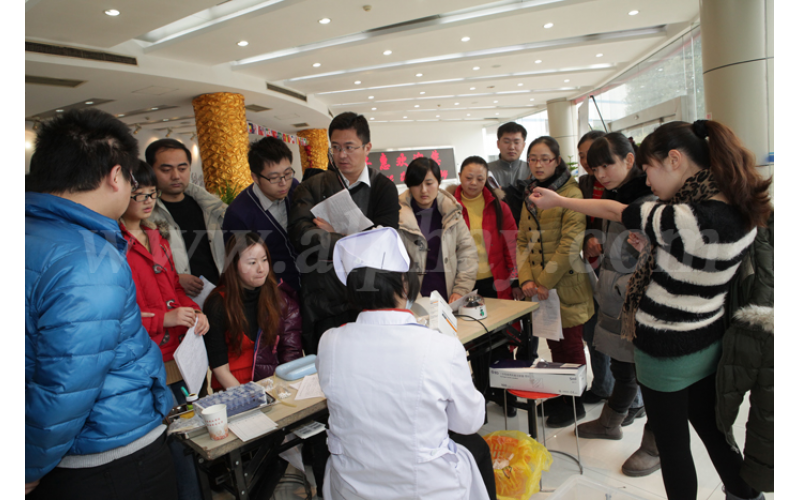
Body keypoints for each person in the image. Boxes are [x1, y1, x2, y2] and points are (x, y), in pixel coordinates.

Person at [529, 120, 771, 500]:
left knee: (673, 450)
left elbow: (615, 210)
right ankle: (746, 495)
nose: (648, 179)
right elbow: (696, 268)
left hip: (664, 348)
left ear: (674, 160)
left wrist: (559, 201)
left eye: (649, 168)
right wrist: (658, 251)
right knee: (714, 433)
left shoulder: (682, 217)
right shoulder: (739, 208)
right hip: (707, 339)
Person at [26, 109, 175, 499]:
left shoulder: (31, 235)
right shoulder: (87, 258)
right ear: (115, 176)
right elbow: (69, 379)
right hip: (106, 456)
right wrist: (28, 465)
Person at [317, 227, 496, 500]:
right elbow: (469, 422)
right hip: (426, 489)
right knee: (476, 447)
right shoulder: (441, 347)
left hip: (352, 487)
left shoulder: (330, 342)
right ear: (404, 283)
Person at [120, 160, 209, 500]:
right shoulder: (114, 244)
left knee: (194, 436)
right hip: (149, 359)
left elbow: (174, 288)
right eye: (139, 195)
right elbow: (119, 314)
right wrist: (163, 319)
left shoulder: (156, 236)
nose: (147, 202)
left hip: (181, 357)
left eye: (151, 194)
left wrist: (195, 312)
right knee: (174, 444)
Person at [569, 134, 654, 475]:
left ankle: (655, 446)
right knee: (623, 366)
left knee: (650, 377)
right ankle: (610, 422)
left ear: (630, 160)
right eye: (595, 167)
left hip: (641, 302)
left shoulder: (647, 199)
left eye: (607, 165)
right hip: (615, 293)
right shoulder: (617, 193)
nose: (601, 174)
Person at [288, 111, 400, 354]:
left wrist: (334, 235)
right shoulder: (312, 187)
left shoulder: (383, 188)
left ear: (367, 147)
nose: (341, 155)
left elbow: (383, 245)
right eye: (336, 147)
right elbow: (301, 236)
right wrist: (353, 240)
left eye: (349, 147)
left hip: (370, 299)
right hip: (324, 301)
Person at [516, 135, 595, 427]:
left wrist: (544, 282)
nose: (538, 165)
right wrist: (527, 279)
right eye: (533, 159)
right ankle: (561, 397)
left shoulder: (571, 194)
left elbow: (570, 245)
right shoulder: (531, 194)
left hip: (566, 285)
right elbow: (522, 240)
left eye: (544, 159)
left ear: (557, 161)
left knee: (571, 347)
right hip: (540, 288)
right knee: (554, 345)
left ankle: (575, 404)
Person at [448, 155, 524, 415]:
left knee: (502, 340)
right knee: (475, 342)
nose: (474, 183)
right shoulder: (449, 206)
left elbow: (511, 244)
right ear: (460, 176)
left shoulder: (499, 206)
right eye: (469, 177)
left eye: (480, 178)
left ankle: (507, 396)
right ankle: (482, 392)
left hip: (495, 283)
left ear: (486, 179)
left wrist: (515, 280)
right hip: (465, 285)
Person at [202, 232, 302, 390]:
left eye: (264, 260)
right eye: (252, 262)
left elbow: (290, 352)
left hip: (270, 383)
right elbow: (219, 368)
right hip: (232, 388)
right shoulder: (218, 303)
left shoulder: (278, 297)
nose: (261, 268)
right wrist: (248, 397)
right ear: (234, 265)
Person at [147, 138, 227, 297]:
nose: (176, 176)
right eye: (166, 170)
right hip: (176, 300)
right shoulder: (146, 214)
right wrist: (174, 279)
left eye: (182, 168)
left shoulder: (210, 207)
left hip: (219, 295)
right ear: (150, 170)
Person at [222, 136, 302, 292]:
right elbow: (239, 268)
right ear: (255, 178)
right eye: (274, 178)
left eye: (287, 173)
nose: (283, 183)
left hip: (310, 285)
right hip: (274, 293)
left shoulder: (294, 188)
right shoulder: (238, 215)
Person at [398, 157, 478, 302]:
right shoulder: (397, 216)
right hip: (412, 298)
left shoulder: (452, 212)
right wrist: (413, 297)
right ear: (409, 185)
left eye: (429, 183)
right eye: (417, 184)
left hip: (449, 296)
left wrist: (461, 290)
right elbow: (394, 263)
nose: (423, 190)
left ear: (438, 183)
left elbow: (467, 252)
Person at [575, 130, 615, 405]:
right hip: (589, 268)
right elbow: (578, 221)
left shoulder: (621, 184)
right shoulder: (583, 183)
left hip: (616, 267)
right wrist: (587, 237)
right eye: (582, 156)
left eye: (591, 155)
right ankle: (602, 386)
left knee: (616, 333)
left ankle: (627, 396)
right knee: (592, 330)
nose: (587, 161)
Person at [488, 122, 531, 226]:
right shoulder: (486, 170)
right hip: (495, 225)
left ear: (523, 145)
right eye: (506, 142)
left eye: (517, 142)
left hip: (527, 227)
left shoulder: (532, 169)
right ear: (498, 144)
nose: (511, 147)